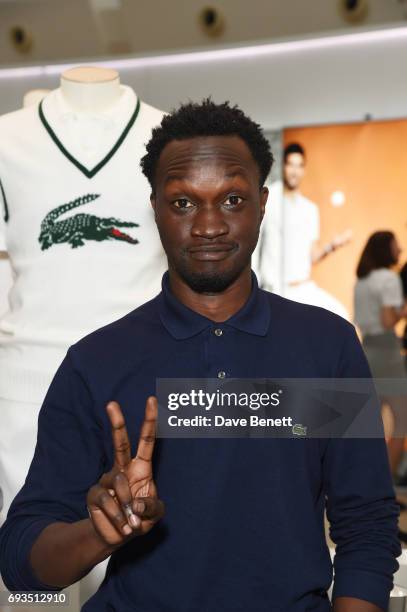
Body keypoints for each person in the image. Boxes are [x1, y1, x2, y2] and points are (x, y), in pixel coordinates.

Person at [0, 100, 401, 612]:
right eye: (184, 203)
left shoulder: (325, 346)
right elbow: (20, 561)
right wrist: (100, 534)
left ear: (262, 203)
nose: (209, 225)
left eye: (231, 200)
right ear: (155, 209)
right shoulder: (97, 362)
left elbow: (366, 525)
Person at [252, 142, 351, 319]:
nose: (294, 171)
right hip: (274, 290)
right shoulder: (268, 197)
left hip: (302, 288)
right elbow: (254, 241)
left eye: (299, 166)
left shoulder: (309, 209)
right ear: (283, 166)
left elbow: (312, 257)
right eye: (291, 164)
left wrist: (333, 246)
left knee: (341, 315)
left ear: (304, 169)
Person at [354, 231, 407, 477]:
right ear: (386, 248)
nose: (401, 250)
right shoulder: (389, 278)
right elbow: (387, 320)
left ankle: (368, 482)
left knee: (368, 425)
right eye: (397, 245)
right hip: (387, 352)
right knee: (402, 421)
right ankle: (385, 485)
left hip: (366, 349)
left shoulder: (362, 281)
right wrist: (402, 310)